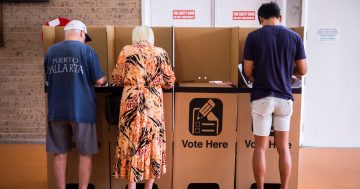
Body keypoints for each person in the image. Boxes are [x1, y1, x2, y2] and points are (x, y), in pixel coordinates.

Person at [243, 2, 307, 189]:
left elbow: (247, 71)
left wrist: (259, 72)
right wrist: (287, 69)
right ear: (280, 18)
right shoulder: (295, 37)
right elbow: (303, 70)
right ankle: (284, 187)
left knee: (260, 148)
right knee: (283, 148)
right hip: (284, 98)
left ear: (260, 18)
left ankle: (261, 187)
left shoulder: (253, 37)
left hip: (262, 97)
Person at [44, 20, 107, 189]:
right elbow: (99, 79)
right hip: (82, 111)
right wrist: (103, 79)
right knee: (85, 154)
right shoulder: (86, 51)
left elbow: (48, 79)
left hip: (56, 110)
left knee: (60, 154)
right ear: (81, 33)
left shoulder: (50, 51)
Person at [112, 26, 175, 189]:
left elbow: (117, 79)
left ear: (135, 36)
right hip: (152, 105)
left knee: (131, 140)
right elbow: (169, 82)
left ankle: (131, 186)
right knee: (151, 140)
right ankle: (148, 186)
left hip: (131, 103)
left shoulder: (126, 51)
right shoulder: (160, 52)